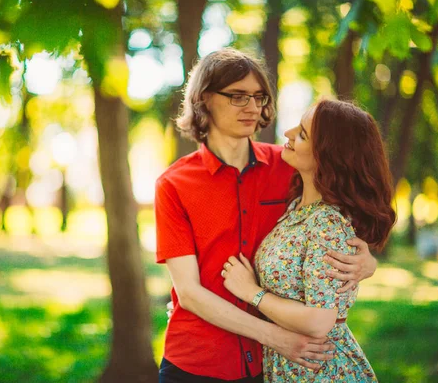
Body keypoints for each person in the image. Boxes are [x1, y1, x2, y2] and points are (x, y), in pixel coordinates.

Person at [155, 48, 378, 382]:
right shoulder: (174, 185)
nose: (253, 107)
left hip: (271, 366)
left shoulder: (291, 166)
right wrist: (274, 337)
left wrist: (367, 263)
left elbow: (344, 211)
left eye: (259, 97)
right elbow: (189, 293)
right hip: (199, 362)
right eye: (238, 96)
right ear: (204, 99)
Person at [221, 100, 396, 381]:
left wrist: (251, 292)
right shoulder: (297, 208)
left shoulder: (327, 223)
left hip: (321, 370)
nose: (288, 133)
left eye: (302, 134)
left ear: (328, 156)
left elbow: (320, 321)